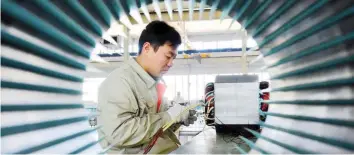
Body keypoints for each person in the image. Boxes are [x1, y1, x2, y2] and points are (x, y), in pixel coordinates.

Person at [97, 21, 197, 154]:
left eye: (174, 58)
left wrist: (178, 120)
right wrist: (169, 116)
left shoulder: (153, 83)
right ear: (147, 48)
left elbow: (155, 129)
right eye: (168, 56)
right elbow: (118, 133)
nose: (171, 63)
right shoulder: (120, 82)